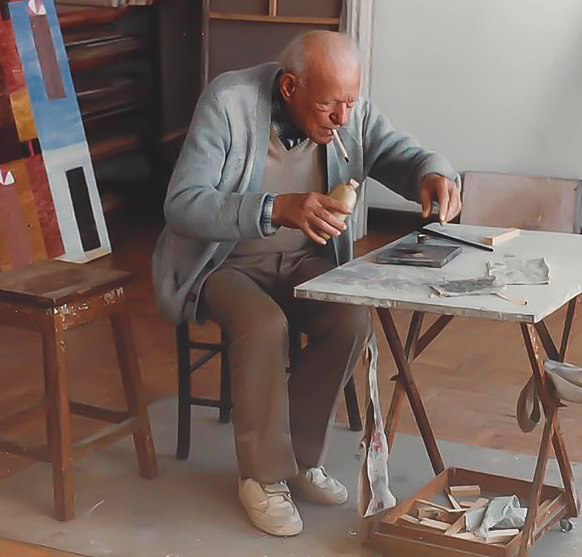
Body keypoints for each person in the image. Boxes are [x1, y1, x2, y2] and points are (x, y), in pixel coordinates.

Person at [153, 31, 461, 536]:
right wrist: (275, 208)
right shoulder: (228, 103)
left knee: (350, 318)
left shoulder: (346, 109)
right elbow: (182, 203)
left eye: (350, 102)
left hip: (300, 262)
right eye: (327, 106)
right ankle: (261, 476)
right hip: (225, 262)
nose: (342, 118)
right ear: (291, 86)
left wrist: (433, 171)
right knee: (263, 325)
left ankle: (297, 457)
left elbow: (396, 153)